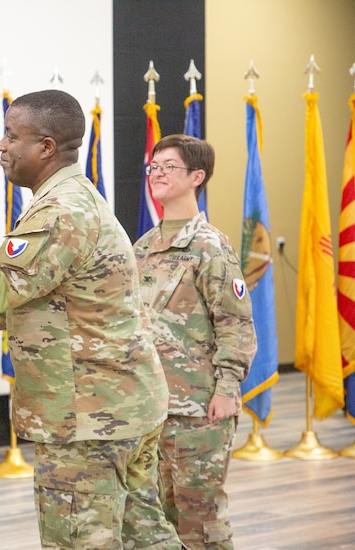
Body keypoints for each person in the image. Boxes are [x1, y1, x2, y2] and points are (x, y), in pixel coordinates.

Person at [0, 89, 181, 549]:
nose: (1, 146)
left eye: (11, 135)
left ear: (45, 147)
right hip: (118, 411)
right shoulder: (73, 200)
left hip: (88, 421)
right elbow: (34, 305)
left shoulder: (59, 212)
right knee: (145, 538)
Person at [132, 134, 257, 549]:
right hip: (152, 406)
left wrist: (226, 390)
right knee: (160, 519)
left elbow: (235, 324)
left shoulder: (210, 246)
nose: (158, 174)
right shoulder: (143, 248)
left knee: (199, 518)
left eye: (169, 166)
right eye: (154, 166)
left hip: (199, 409)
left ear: (197, 177)